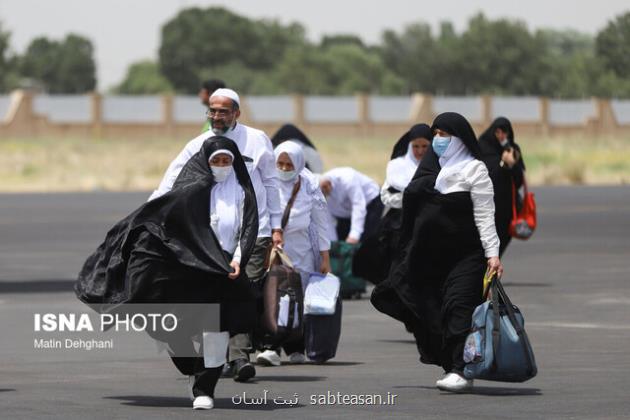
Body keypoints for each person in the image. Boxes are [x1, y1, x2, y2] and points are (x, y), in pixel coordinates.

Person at [75, 137, 259, 410]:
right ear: (205, 163)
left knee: (218, 331)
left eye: (226, 161)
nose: (221, 166)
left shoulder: (242, 192)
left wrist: (239, 260)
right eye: (215, 161)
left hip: (223, 272)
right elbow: (157, 226)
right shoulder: (186, 191)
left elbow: (249, 228)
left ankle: (204, 388)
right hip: (187, 271)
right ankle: (191, 364)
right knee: (170, 328)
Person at [149, 88, 283, 383]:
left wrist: (276, 226)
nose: (216, 116)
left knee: (243, 289)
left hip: (254, 230)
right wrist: (148, 215)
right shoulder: (198, 144)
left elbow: (272, 184)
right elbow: (170, 182)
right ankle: (226, 357)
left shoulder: (257, 140)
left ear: (237, 113)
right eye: (212, 110)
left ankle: (237, 357)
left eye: (223, 111)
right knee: (217, 295)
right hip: (211, 237)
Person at [371, 112, 504, 393]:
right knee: (434, 311)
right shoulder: (431, 169)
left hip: (467, 256)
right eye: (436, 135)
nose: (438, 140)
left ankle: (460, 370)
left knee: (459, 306)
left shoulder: (475, 170)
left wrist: (493, 255)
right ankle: (451, 364)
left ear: (460, 139)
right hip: (431, 258)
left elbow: (485, 216)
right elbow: (408, 203)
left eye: (445, 135)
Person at [256, 141, 332, 366]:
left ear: (298, 164)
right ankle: (271, 347)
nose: (284, 168)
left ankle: (296, 346)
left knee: (299, 299)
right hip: (273, 249)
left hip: (302, 252)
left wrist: (325, 255)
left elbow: (320, 221)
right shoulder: (265, 182)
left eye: (289, 164)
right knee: (273, 298)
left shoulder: (309, 184)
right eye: (280, 163)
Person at [355, 124, 432, 284]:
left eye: (425, 146)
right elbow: (386, 195)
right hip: (401, 218)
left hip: (430, 217)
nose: (420, 151)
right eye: (416, 146)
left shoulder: (438, 164)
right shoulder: (397, 165)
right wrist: (410, 198)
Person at [478, 117, 526, 256]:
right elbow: (487, 173)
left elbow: (519, 181)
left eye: (504, 132)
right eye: (497, 132)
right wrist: (502, 164)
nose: (501, 136)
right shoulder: (482, 147)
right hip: (486, 204)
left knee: (502, 240)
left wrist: (512, 164)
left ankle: (492, 272)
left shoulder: (513, 149)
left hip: (507, 207)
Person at [319, 167, 383, 244]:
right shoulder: (318, 194)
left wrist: (354, 235)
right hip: (345, 212)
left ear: (327, 186)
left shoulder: (348, 178)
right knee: (342, 240)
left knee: (366, 241)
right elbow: (327, 220)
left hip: (370, 203)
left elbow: (358, 205)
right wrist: (334, 245)